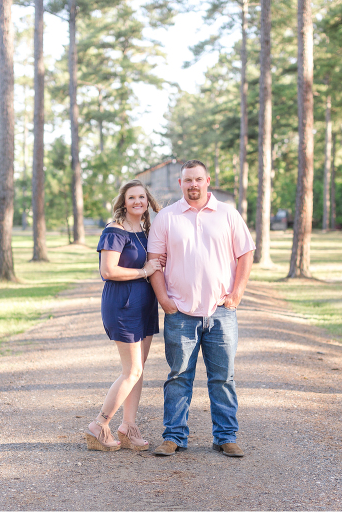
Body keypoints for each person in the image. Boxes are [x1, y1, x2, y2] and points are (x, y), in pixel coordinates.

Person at [147, 160, 255, 457]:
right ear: (180, 183)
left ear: (207, 181)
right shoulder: (167, 217)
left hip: (221, 312)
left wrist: (237, 293)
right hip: (180, 313)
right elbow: (154, 261)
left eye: (198, 179)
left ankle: (226, 437)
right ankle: (174, 437)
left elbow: (246, 253)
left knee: (223, 378)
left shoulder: (228, 214)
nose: (193, 184)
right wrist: (164, 300)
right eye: (187, 180)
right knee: (179, 377)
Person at [85, 180, 163, 452]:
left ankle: (128, 427)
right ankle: (99, 425)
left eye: (142, 197)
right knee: (132, 371)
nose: (137, 201)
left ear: (147, 201)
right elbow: (108, 271)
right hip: (123, 305)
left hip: (144, 305)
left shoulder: (145, 231)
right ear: (124, 202)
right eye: (132, 197)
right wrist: (145, 271)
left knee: (138, 370)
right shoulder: (114, 231)